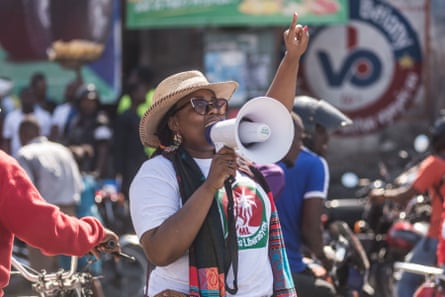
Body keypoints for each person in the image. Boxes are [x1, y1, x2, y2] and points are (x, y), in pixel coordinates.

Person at [129, 12, 309, 297]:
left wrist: (291, 58)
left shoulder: (238, 162)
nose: (213, 110)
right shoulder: (157, 174)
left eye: (218, 103)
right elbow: (159, 251)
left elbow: (272, 116)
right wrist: (209, 186)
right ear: (174, 123)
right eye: (199, 104)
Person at [0, 149, 121, 297]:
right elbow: (43, 227)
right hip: (63, 219)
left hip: (58, 220)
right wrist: (94, 233)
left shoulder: (23, 155)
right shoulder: (4, 165)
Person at [275, 95, 352, 297]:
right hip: (286, 267)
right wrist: (324, 256)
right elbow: (310, 229)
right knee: (328, 291)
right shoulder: (314, 164)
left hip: (258, 266)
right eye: (321, 130)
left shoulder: (265, 158)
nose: (326, 137)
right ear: (305, 131)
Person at [370, 115, 445, 297]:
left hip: (437, 233)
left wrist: (381, 196)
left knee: (407, 279)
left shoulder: (434, 164)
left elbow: (407, 194)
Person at [15, 116, 83, 272]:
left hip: (44, 217)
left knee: (43, 276)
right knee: (71, 274)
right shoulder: (62, 150)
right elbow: (78, 184)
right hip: (71, 215)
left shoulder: (25, 153)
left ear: (22, 135)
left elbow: (26, 190)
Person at [113, 81, 148, 201]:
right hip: (129, 166)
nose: (145, 94)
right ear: (133, 94)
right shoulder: (125, 117)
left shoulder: (137, 116)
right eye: (141, 91)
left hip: (138, 163)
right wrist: (120, 170)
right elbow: (119, 145)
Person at [2, 86, 52, 157]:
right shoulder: (11, 117)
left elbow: (48, 139)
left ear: (35, 98)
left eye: (30, 96)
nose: (27, 100)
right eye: (25, 96)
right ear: (20, 98)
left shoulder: (45, 116)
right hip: (16, 157)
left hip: (38, 158)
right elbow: (7, 141)